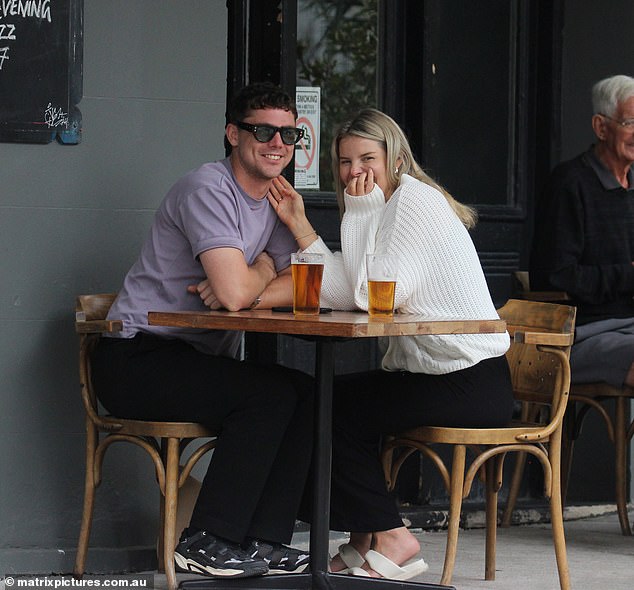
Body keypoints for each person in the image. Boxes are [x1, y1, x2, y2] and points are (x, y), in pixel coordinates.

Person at [266, 108, 513, 579]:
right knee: (321, 401)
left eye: (366, 158)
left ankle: (393, 537)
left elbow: (370, 294)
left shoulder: (414, 204)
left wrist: (358, 213)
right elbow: (345, 287)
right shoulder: (388, 206)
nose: (354, 171)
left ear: (395, 157)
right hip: (436, 377)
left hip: (468, 382)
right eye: (343, 161)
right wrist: (301, 225)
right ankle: (363, 538)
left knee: (331, 409)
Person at [90, 82, 313, 579]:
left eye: (290, 133)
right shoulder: (207, 188)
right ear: (233, 133)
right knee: (270, 395)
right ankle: (206, 539)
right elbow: (236, 294)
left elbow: (308, 281)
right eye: (264, 131)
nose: (278, 143)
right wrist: (257, 276)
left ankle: (263, 540)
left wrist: (254, 272)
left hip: (194, 361)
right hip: (136, 359)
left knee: (306, 391)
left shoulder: (277, 200)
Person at [530, 74, 634, 388]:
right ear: (601, 127)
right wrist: (628, 275)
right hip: (585, 333)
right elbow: (554, 276)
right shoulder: (570, 183)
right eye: (630, 122)